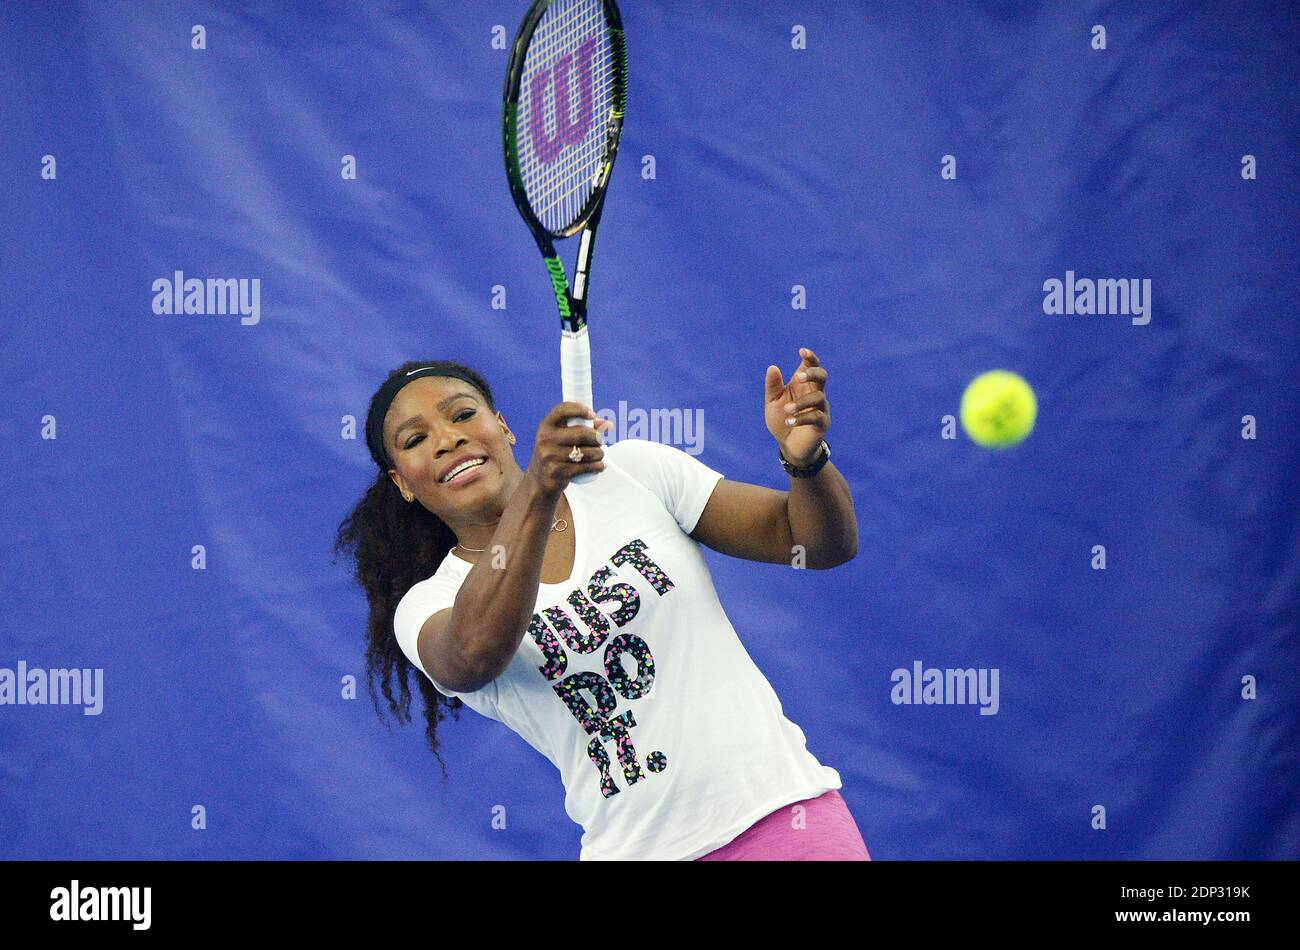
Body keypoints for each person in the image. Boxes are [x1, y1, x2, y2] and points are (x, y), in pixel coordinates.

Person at [334, 349, 870, 860]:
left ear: (503, 426)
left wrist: (805, 462)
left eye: (463, 414)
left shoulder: (633, 472)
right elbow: (472, 656)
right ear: (401, 482)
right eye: (416, 439)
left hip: (785, 820)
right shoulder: (427, 606)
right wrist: (538, 493)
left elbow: (816, 544)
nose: (447, 438)